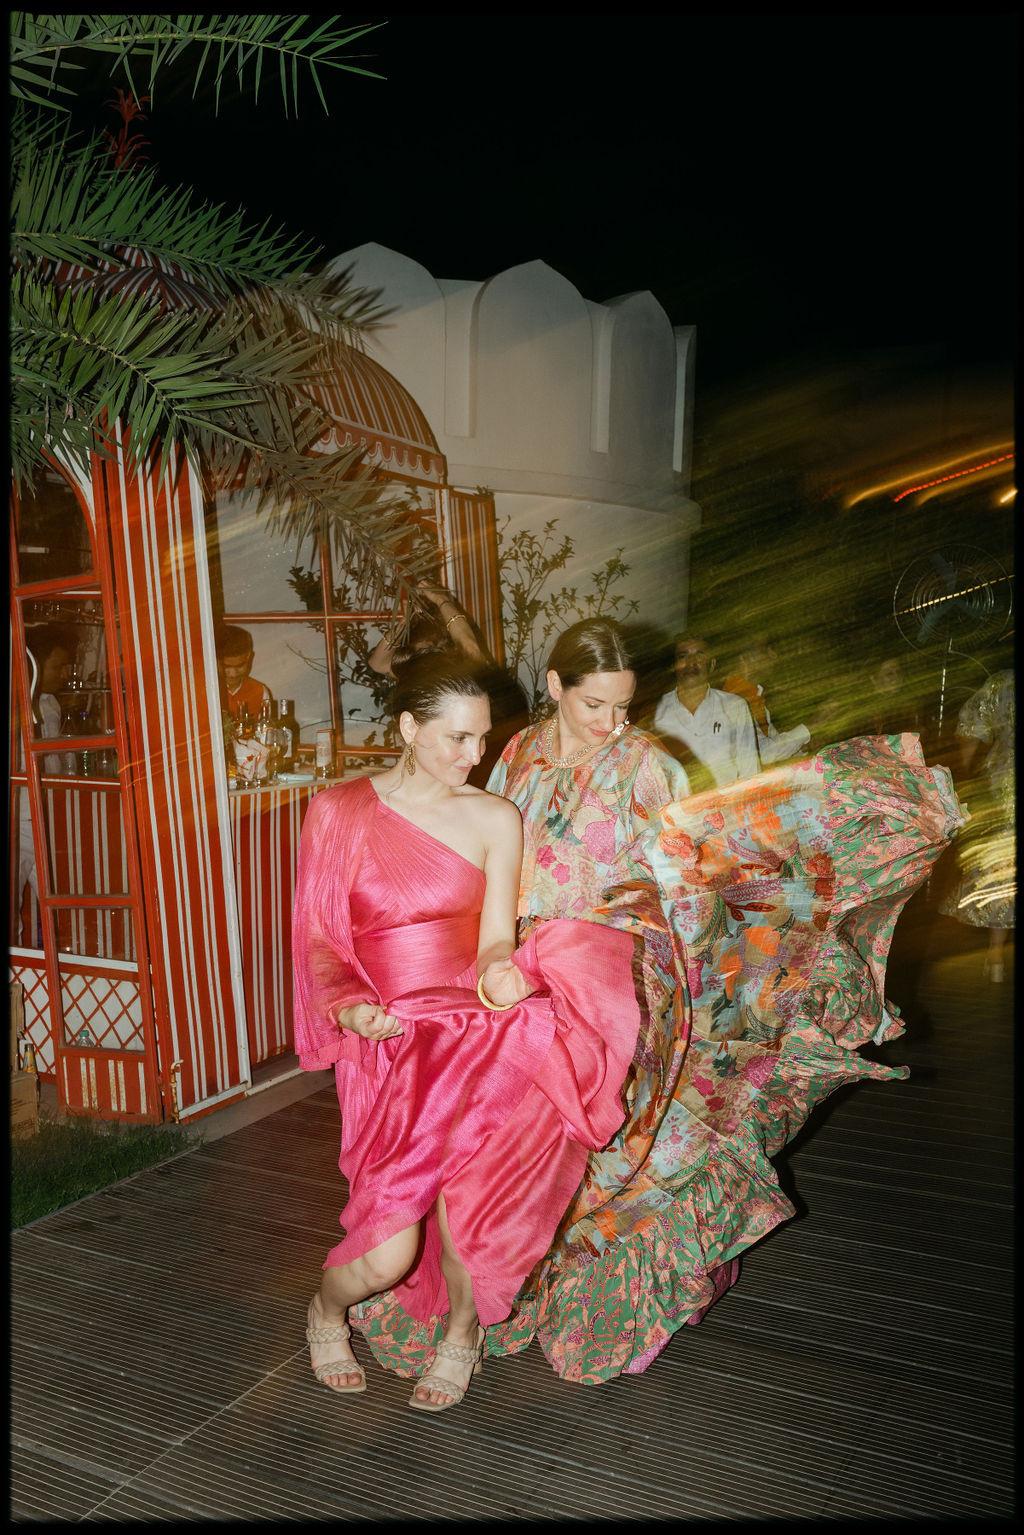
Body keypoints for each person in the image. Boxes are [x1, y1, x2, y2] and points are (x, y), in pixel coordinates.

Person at [349, 617, 963, 1385]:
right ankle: (481, 1307)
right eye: (595, 705)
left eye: (624, 705)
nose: (613, 723)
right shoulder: (519, 752)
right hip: (517, 976)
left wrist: (702, 946)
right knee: (492, 1143)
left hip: (616, 983)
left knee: (597, 1150)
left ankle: (563, 1304)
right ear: (555, 687)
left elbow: (689, 881)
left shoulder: (645, 764)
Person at [291, 650, 641, 1411]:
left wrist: (500, 975)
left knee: (471, 1224)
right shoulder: (337, 811)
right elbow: (319, 942)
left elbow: (493, 940)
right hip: (386, 1045)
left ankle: (461, 1335)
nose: (474, 755)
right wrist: (348, 1007)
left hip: (478, 1040)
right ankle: (324, 1310)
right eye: (456, 737)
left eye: (482, 738)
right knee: (384, 1255)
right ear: (407, 727)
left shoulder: (494, 817)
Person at [368, 578, 529, 786]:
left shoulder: (460, 672)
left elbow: (470, 646)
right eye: (420, 648)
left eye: (428, 646)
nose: (426, 653)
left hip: (465, 768)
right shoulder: (416, 673)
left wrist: (442, 601)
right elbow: (377, 663)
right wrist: (404, 623)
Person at [938, 669, 1014, 982]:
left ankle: (995, 956)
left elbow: (971, 724)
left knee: (1002, 864)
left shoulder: (1004, 682)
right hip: (1003, 779)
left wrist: (966, 769)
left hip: (1004, 776)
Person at [652, 630, 760, 790]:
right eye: (683, 656)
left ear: (712, 664)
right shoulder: (657, 713)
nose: (691, 663)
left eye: (699, 655)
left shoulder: (735, 706)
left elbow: (750, 772)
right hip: (677, 805)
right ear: (674, 666)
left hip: (726, 803)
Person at [721, 635, 815, 765]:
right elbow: (764, 753)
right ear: (745, 658)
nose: (774, 655)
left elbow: (773, 743)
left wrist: (801, 748)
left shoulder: (754, 693)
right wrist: (813, 725)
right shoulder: (734, 698)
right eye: (765, 650)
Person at [216, 624, 272, 723]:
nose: (233, 674)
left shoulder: (260, 692)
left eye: (240, 666)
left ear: (249, 657)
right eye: (226, 667)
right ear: (215, 661)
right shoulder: (202, 692)